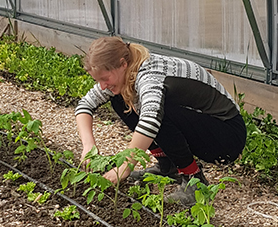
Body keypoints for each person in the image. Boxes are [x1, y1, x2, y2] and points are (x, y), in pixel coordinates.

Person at [74, 36, 246, 207]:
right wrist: (89, 146)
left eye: (105, 78)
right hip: (206, 128)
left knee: (158, 113)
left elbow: (150, 121)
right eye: (98, 81)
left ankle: (194, 181)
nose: (103, 86)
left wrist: (124, 168)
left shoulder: (151, 75)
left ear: (122, 64)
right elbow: (85, 105)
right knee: (119, 99)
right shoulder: (130, 68)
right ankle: (168, 166)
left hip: (226, 136)